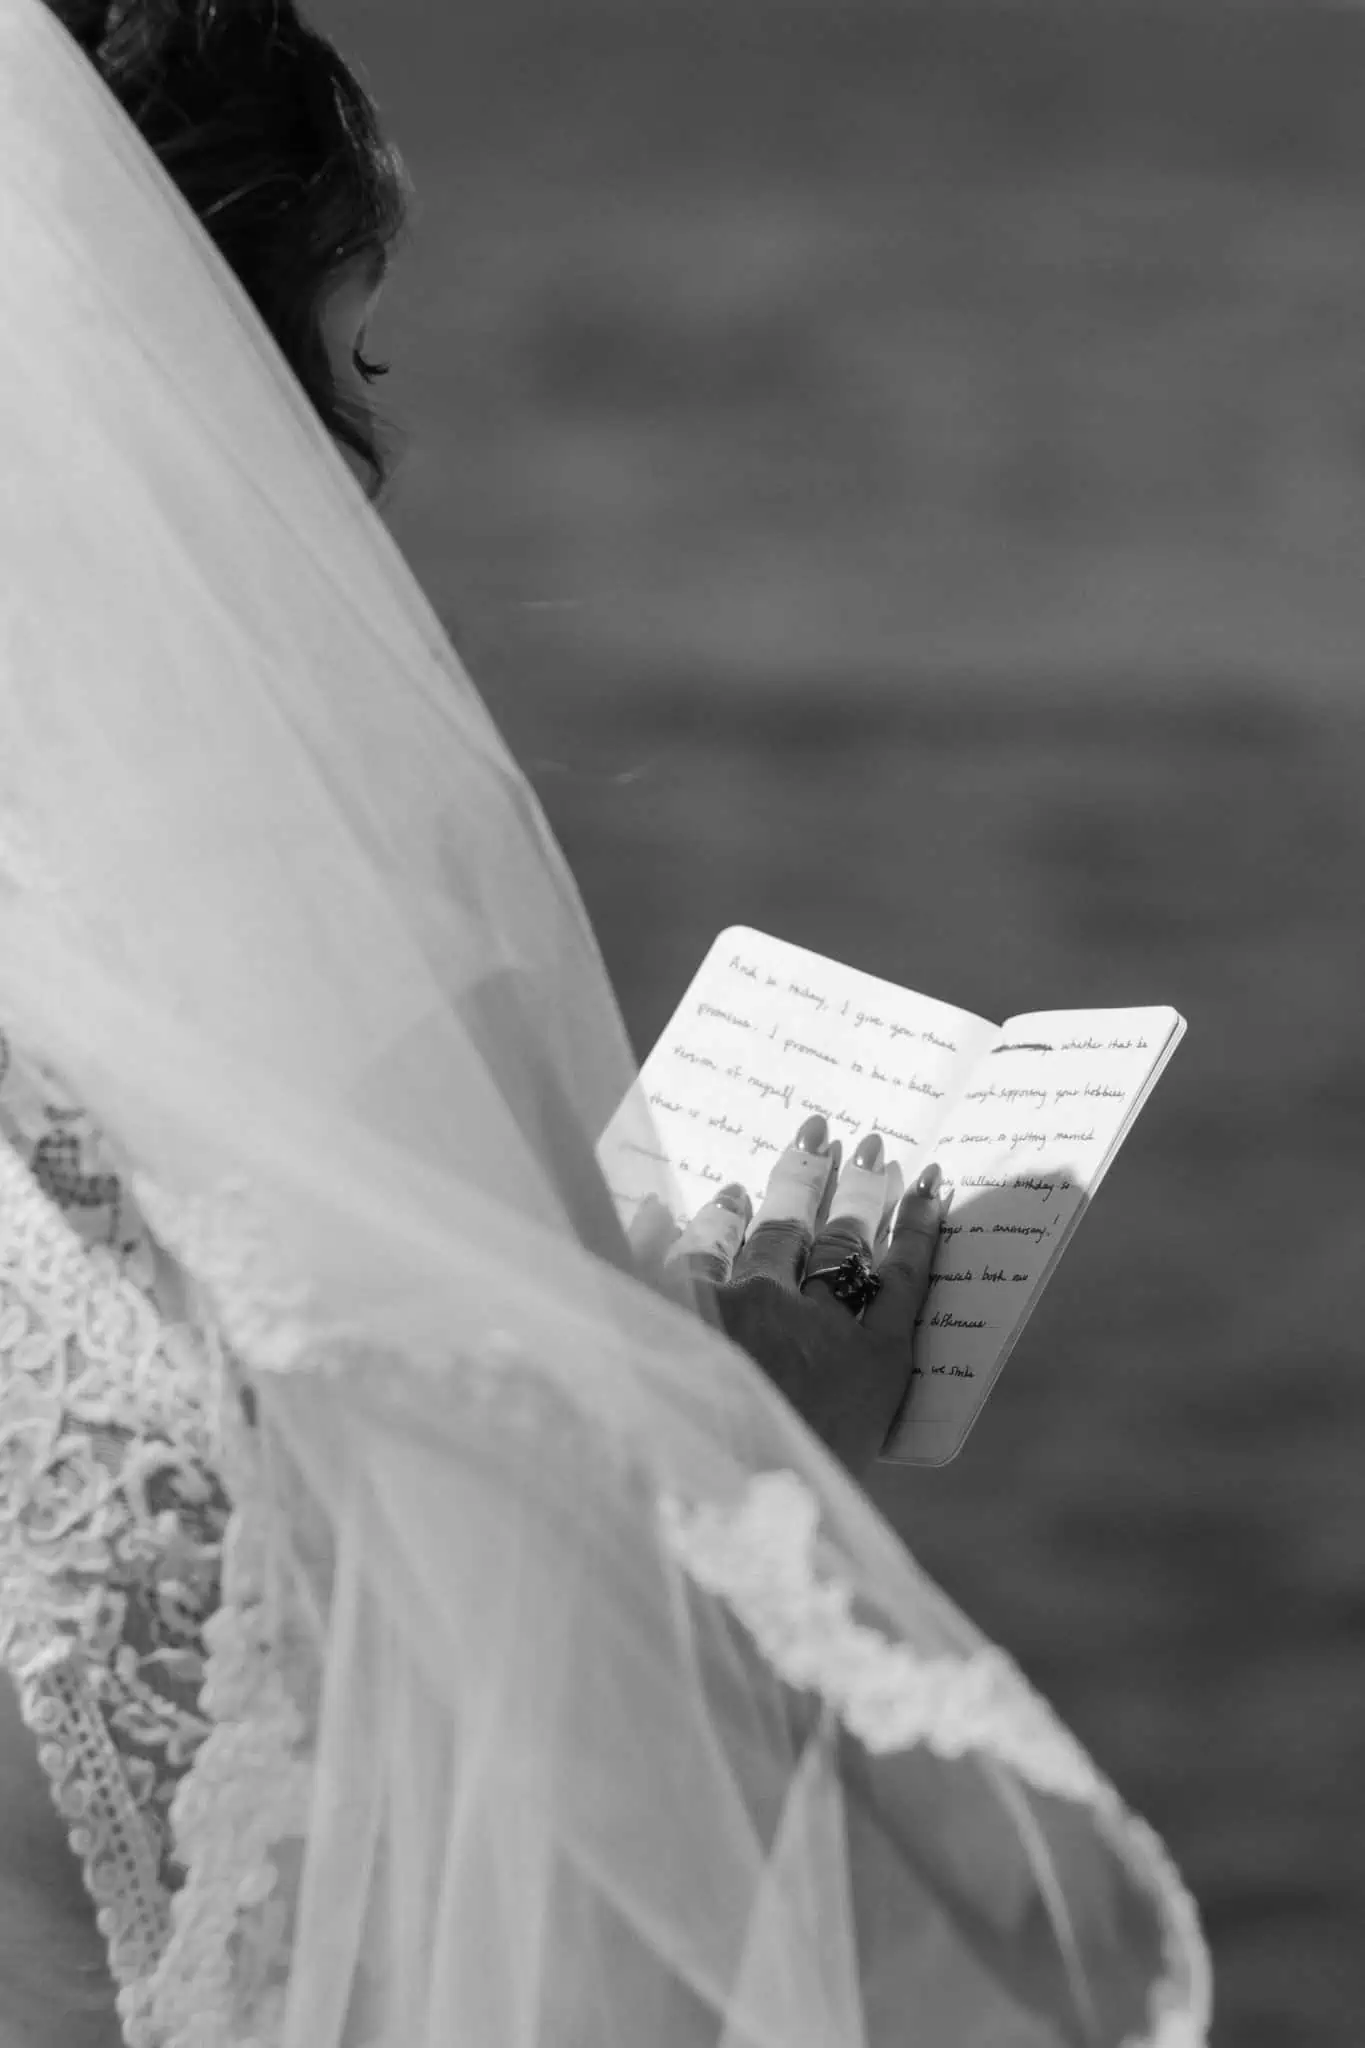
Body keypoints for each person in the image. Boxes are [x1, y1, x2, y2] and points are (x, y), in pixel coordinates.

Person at [0, 1, 1213, 2043]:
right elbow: (590, 1806)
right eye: (340, 350)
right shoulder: (296, 938)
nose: (359, 452)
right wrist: (763, 1437)